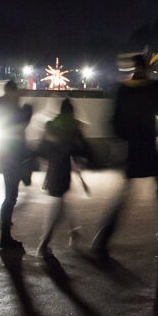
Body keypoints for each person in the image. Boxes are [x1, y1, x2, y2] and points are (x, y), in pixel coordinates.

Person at [91, 54, 158, 259]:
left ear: (133, 68)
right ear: (147, 68)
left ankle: (103, 239)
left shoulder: (123, 90)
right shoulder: (155, 88)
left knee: (123, 196)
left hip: (132, 149)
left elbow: (113, 122)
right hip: (150, 148)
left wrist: (122, 142)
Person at [35, 98, 92, 258]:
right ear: (71, 111)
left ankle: (73, 231)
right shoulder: (73, 127)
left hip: (53, 168)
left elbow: (42, 150)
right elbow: (79, 151)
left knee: (61, 202)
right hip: (63, 169)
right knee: (58, 207)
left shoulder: (51, 125)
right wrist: (82, 177)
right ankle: (43, 244)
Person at [0, 80, 33, 251]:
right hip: (12, 158)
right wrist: (27, 113)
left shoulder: (5, 108)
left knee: (10, 197)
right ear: (11, 92)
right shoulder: (9, 110)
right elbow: (18, 128)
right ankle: (5, 237)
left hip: (9, 158)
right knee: (10, 198)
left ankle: (6, 234)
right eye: (16, 92)